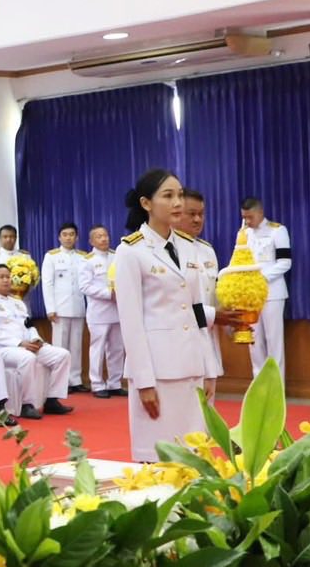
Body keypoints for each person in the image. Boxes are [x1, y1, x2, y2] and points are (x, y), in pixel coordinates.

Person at [117, 170, 221, 461]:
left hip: (192, 366)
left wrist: (209, 367)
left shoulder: (189, 247)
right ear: (146, 203)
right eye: (168, 195)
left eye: (179, 194)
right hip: (158, 370)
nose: (177, 202)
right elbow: (131, 322)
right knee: (160, 456)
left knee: (195, 454)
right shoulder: (131, 251)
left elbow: (196, 313)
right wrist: (144, 380)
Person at [0, 265, 74, 417]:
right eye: (1, 277)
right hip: (2, 349)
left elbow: (28, 325)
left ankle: (52, 399)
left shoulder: (18, 302)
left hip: (27, 344)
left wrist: (36, 339)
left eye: (8, 277)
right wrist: (19, 343)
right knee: (27, 358)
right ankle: (27, 404)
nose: (6, 280)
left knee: (62, 355)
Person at [176, 191, 227, 379]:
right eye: (191, 214)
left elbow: (213, 293)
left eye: (201, 214)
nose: (198, 219)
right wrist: (215, 315)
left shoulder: (207, 250)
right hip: (182, 343)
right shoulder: (168, 251)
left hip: (208, 340)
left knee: (208, 405)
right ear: (176, 213)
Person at [238, 197, 291, 378]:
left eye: (250, 217)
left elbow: (285, 263)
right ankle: (258, 387)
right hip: (250, 296)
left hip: (272, 293)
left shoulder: (277, 231)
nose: (247, 221)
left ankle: (276, 388)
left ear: (260, 213)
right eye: (244, 217)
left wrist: (259, 279)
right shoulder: (244, 233)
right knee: (254, 342)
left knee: (273, 341)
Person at [78, 226, 125, 398]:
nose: (104, 239)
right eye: (99, 236)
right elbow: (85, 286)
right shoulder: (87, 260)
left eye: (105, 235)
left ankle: (115, 382)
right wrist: (108, 294)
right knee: (97, 349)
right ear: (91, 241)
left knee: (117, 348)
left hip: (118, 310)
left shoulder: (117, 256)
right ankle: (97, 384)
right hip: (99, 311)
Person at [42, 223, 88, 393]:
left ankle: (75, 380)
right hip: (59, 308)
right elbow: (47, 283)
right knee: (60, 346)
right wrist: (50, 308)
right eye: (65, 234)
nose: (68, 237)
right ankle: (60, 382)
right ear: (59, 237)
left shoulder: (83, 257)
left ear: (77, 237)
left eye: (72, 234)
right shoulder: (52, 256)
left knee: (76, 346)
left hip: (78, 307)